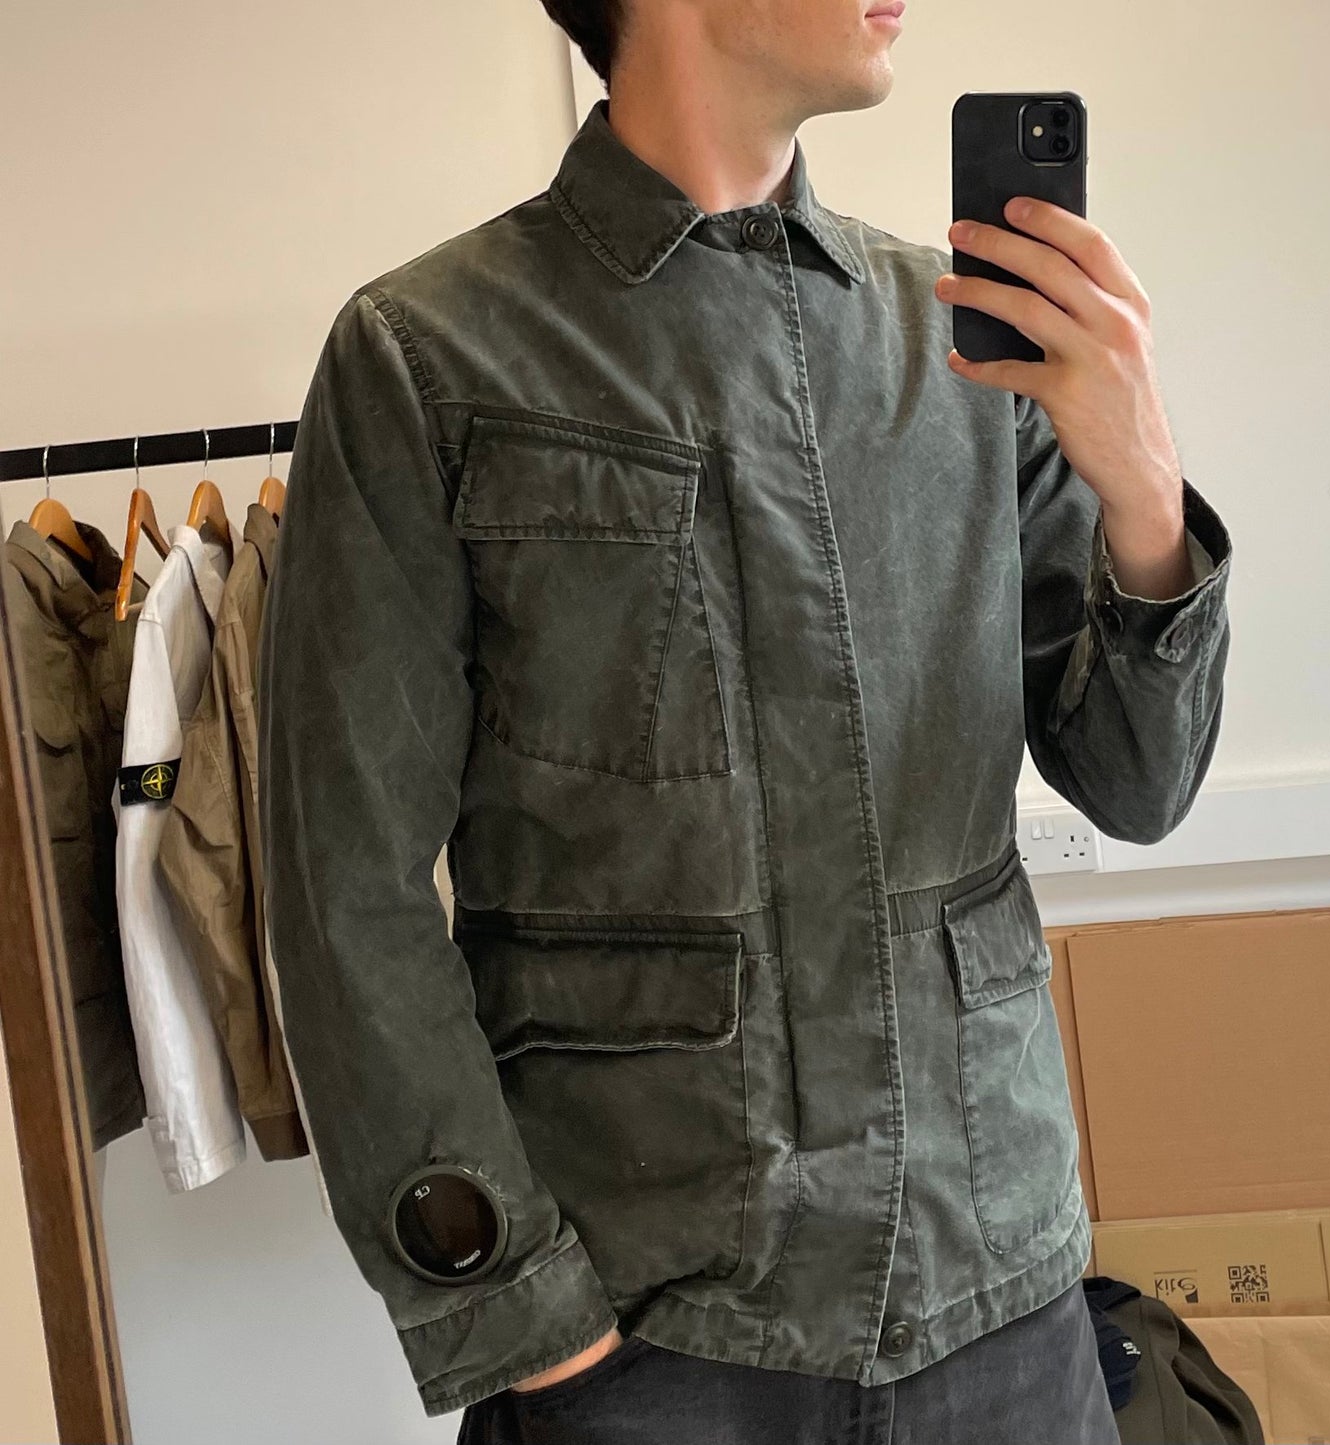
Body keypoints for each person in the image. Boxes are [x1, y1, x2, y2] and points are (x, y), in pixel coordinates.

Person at [258, 0, 1232, 1440]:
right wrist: (522, 1316)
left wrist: (1142, 492)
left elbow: (1138, 783)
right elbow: (347, 885)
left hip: (998, 1309)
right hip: (660, 1341)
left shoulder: (960, 345)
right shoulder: (434, 356)